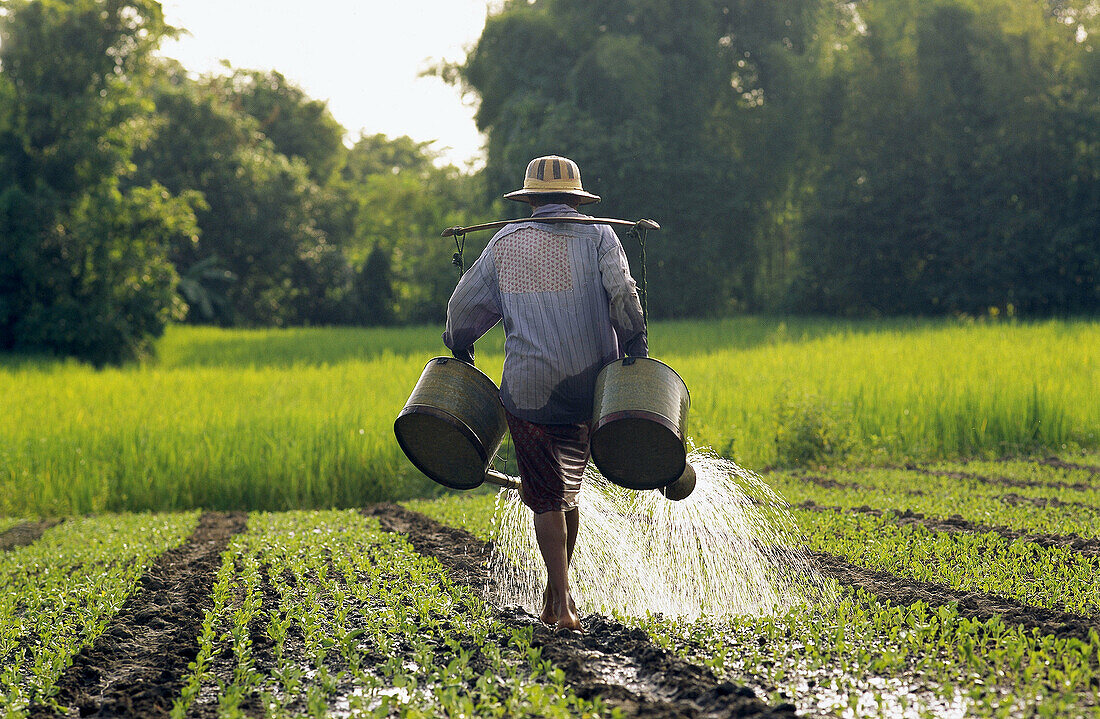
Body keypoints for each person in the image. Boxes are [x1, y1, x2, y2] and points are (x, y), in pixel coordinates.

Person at [443, 155, 647, 631]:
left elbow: (462, 310)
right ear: (576, 199)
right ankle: (556, 598)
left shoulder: (505, 242)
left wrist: (460, 344)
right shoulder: (600, 235)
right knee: (567, 492)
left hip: (529, 389)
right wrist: (635, 344)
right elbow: (623, 295)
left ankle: (564, 604)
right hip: (589, 386)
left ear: (531, 200)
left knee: (545, 496)